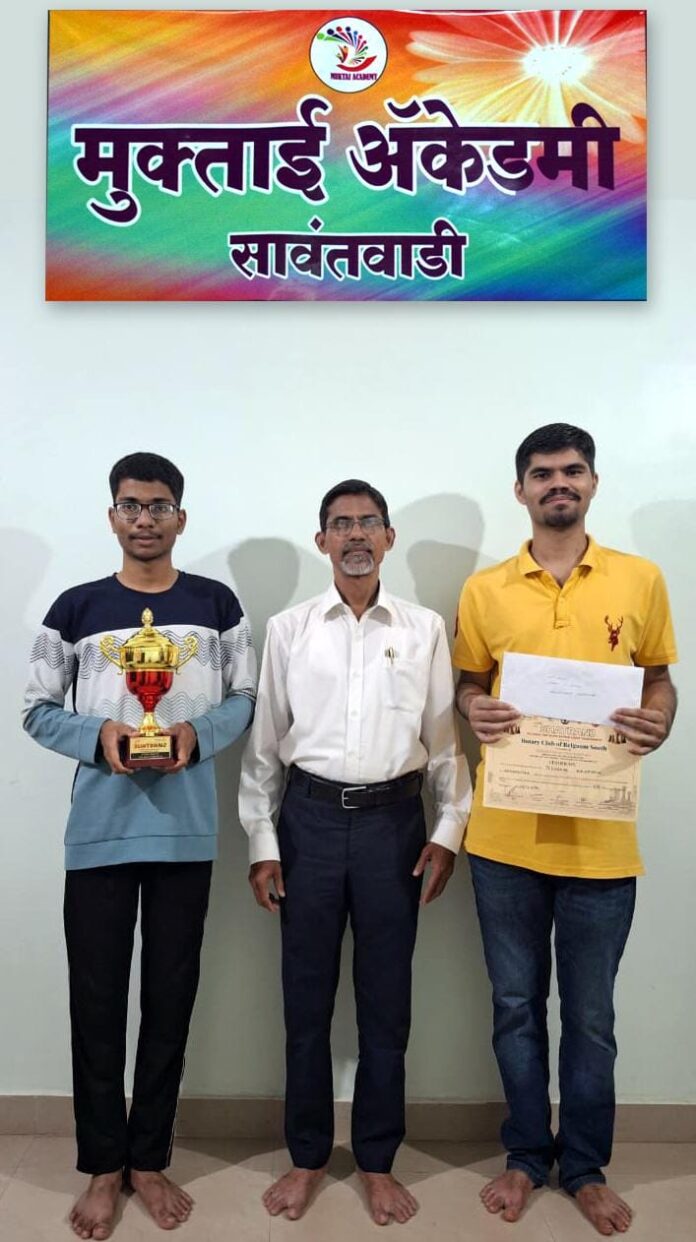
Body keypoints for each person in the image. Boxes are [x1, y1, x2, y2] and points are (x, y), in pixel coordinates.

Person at [23, 452, 256, 1240]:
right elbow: (35, 710)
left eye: (159, 506)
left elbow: (246, 697)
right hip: (98, 837)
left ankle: (149, 1158)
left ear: (180, 518)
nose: (145, 519)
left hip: (186, 836)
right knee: (95, 1005)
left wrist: (195, 732)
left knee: (169, 1000)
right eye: (131, 505)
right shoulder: (76, 608)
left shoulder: (216, 605)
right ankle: (102, 1163)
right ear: (112, 516)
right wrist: (102, 736)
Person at [453, 425, 677, 1237]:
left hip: (602, 842)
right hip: (504, 840)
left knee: (590, 1020)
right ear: (520, 490)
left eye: (572, 470)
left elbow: (659, 681)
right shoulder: (485, 590)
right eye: (542, 473)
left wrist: (660, 720)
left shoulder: (640, 578)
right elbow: (467, 686)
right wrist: (473, 708)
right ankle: (524, 1155)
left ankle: (582, 1167)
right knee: (515, 1007)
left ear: (592, 483)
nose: (559, 483)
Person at [239, 479, 471, 1226]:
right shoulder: (289, 629)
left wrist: (447, 831)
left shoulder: (424, 629)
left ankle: (376, 1159)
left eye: (369, 522)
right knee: (305, 1001)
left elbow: (444, 742)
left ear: (389, 537)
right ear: (323, 542)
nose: (356, 534)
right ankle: (308, 1156)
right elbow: (265, 746)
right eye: (341, 524)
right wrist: (263, 840)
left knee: (386, 1002)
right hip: (306, 824)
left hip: (393, 828)